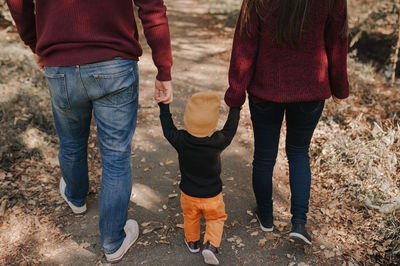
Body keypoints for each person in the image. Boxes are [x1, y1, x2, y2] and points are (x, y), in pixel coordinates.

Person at [6, 0, 173, 262]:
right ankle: (113, 242)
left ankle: (76, 198)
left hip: (60, 65)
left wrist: (37, 43)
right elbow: (152, 8)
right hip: (115, 64)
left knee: (71, 141)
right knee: (116, 157)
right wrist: (164, 69)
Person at [225, 0, 349, 245]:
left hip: (265, 89)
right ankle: (299, 223)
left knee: (264, 156)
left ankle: (266, 217)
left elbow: (245, 44)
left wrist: (236, 92)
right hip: (310, 90)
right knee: (299, 153)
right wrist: (339, 86)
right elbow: (338, 41)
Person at [158, 92, 240, 265]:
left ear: (188, 120)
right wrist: (235, 109)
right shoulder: (217, 140)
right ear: (212, 123)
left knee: (190, 217)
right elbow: (230, 129)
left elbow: (168, 129)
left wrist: (164, 105)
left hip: (188, 194)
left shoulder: (181, 140)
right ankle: (210, 246)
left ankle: (193, 241)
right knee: (215, 218)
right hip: (212, 195)